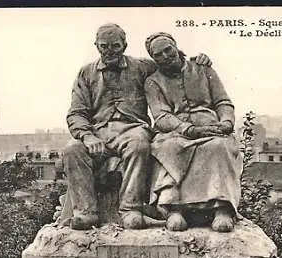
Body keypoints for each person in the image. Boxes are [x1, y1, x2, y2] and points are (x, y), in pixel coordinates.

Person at [61, 24, 212, 230]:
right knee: (72, 149)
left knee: (139, 146)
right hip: (98, 131)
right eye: (104, 46)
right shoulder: (86, 73)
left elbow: (170, 63)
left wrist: (196, 60)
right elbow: (77, 112)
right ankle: (85, 212)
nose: (109, 51)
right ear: (96, 45)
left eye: (115, 46)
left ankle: (130, 208)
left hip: (133, 128)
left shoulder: (142, 67)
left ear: (124, 45)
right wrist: (87, 136)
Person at [144, 32, 242, 233]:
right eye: (158, 55)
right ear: (153, 59)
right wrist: (186, 129)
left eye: (168, 50)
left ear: (175, 46)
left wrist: (226, 121)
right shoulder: (153, 82)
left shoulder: (203, 69)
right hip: (175, 131)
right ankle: (174, 209)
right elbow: (161, 116)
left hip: (211, 128)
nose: (165, 56)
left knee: (219, 146)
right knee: (169, 149)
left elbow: (223, 101)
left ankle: (222, 209)